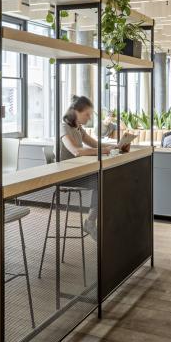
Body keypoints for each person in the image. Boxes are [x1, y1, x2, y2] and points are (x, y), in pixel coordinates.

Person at [60, 96, 127, 240]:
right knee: (102, 181)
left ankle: (93, 221)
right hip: (65, 176)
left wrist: (115, 146)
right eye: (87, 114)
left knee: (107, 179)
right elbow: (76, 151)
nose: (89, 117)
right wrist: (105, 150)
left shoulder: (78, 128)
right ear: (76, 112)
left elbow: (95, 144)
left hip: (78, 172)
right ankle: (91, 222)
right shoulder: (64, 127)